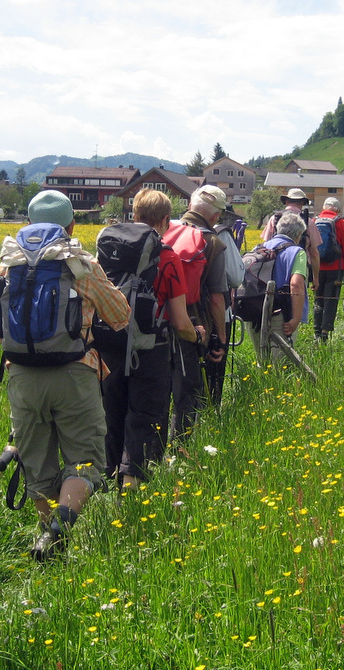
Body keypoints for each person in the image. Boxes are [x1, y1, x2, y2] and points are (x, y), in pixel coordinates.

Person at [0, 190, 130, 561]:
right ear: (72, 225)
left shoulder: (8, 264)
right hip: (74, 376)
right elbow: (120, 315)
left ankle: (49, 542)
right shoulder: (81, 263)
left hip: (22, 379)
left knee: (37, 464)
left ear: (29, 225)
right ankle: (58, 533)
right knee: (85, 461)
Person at [100, 189, 206, 490]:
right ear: (164, 220)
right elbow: (181, 321)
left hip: (109, 347)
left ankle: (108, 486)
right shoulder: (167, 257)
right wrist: (197, 337)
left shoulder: (107, 251)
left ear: (134, 215)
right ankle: (133, 494)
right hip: (151, 350)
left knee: (113, 416)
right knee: (145, 418)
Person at [168, 185, 228, 441]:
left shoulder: (164, 231)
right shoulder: (213, 242)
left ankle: (152, 449)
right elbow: (216, 298)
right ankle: (180, 448)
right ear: (215, 216)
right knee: (187, 390)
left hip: (157, 320)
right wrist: (221, 339)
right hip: (193, 324)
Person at [248, 212, 309, 365]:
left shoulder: (259, 248)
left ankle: (260, 387)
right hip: (281, 314)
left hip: (255, 311)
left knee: (262, 360)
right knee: (279, 364)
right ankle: (274, 388)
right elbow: (296, 284)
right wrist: (295, 318)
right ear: (299, 234)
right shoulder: (298, 252)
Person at [207, 205, 245, 408]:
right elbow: (237, 277)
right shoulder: (221, 234)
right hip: (216, 311)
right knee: (215, 367)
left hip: (182, 312)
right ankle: (212, 412)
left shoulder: (178, 228)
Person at [261, 187, 321, 291]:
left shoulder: (274, 219)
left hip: (275, 264)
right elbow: (314, 253)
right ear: (302, 202)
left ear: (286, 201)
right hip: (300, 265)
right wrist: (316, 278)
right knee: (297, 295)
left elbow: (266, 244)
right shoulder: (308, 222)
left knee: (274, 296)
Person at [312, 197, 344, 341]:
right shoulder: (341, 223)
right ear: (337, 209)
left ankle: (316, 332)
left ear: (324, 207)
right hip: (336, 269)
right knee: (331, 300)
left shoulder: (313, 221)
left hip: (316, 268)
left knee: (318, 299)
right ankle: (325, 332)